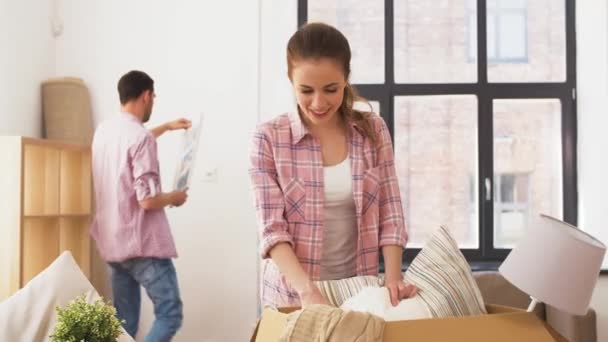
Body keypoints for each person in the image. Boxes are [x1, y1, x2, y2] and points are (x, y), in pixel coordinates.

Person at [249, 23, 417, 308]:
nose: (318, 102)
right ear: (291, 81)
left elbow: (390, 210)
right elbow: (272, 230)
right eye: (306, 90)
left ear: (346, 80)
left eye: (330, 89)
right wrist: (308, 293)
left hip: (359, 292)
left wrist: (392, 278)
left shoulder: (372, 131)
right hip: (292, 296)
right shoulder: (268, 138)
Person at [90, 70, 190, 341]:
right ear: (146, 96)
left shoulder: (104, 132)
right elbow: (147, 201)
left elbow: (134, 142)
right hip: (142, 245)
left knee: (124, 325)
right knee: (170, 314)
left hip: (113, 244)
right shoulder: (140, 138)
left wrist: (167, 126)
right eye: (153, 97)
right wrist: (174, 197)